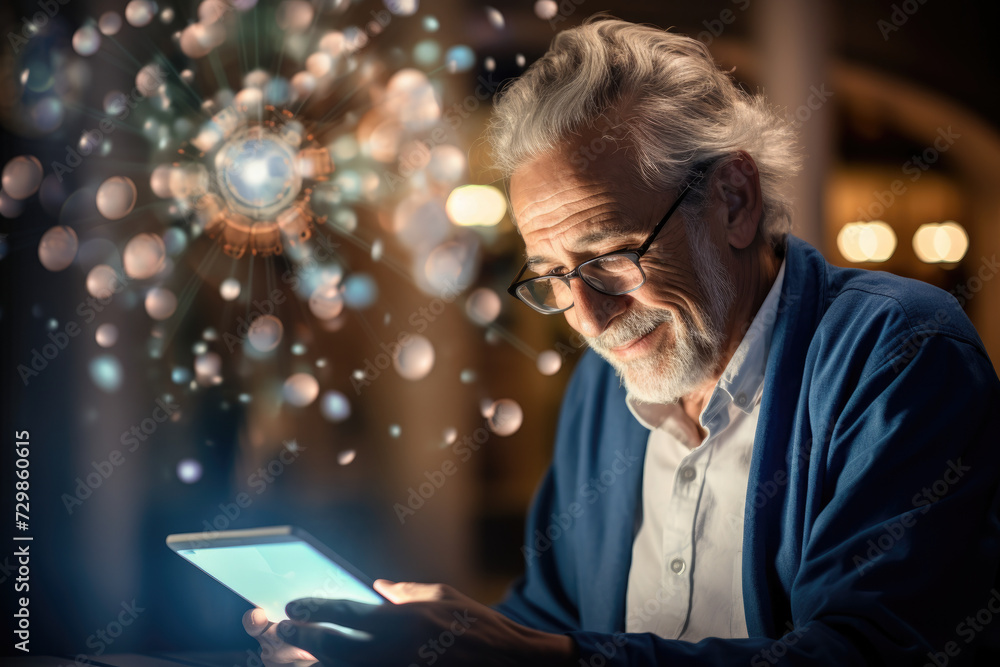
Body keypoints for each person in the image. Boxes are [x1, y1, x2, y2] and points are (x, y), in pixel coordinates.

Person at [243, 17, 1000, 666]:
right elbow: (551, 614)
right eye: (550, 274)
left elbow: (865, 652)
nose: (589, 319)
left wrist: (539, 658)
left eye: (611, 257)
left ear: (734, 201)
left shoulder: (899, 351)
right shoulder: (606, 390)